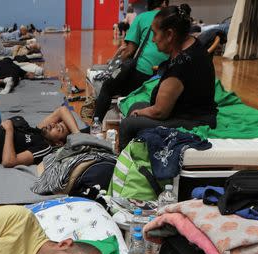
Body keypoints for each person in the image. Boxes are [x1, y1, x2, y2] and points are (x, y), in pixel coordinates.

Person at [118, 4, 217, 151]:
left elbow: (160, 111)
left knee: (128, 124)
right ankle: (143, 151)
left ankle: (125, 165)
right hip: (196, 113)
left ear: (170, 34)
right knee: (136, 106)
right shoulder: (194, 44)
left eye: (155, 34)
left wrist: (140, 113)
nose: (153, 40)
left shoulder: (180, 66)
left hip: (193, 121)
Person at [93, 0, 170, 123]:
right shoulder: (172, 19)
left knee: (107, 86)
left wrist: (117, 66)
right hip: (166, 75)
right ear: (164, 3)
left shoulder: (143, 17)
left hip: (143, 73)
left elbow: (129, 51)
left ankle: (95, 125)